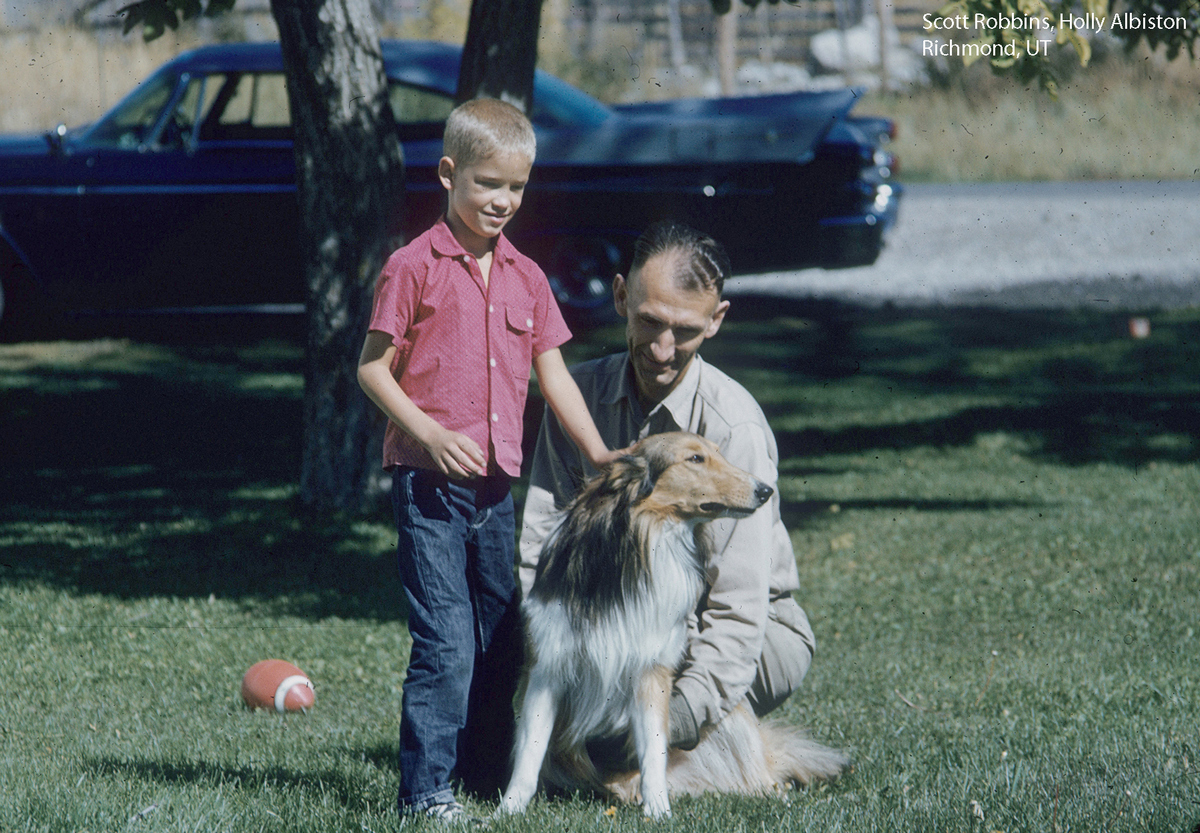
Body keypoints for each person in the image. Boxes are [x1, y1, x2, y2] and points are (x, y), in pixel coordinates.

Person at [357, 97, 618, 822]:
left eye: (516, 186)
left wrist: (598, 450)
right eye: (487, 184)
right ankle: (424, 793)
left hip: (495, 491)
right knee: (445, 641)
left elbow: (554, 374)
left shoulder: (526, 278)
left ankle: (479, 776)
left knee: (499, 638)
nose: (502, 201)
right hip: (429, 487)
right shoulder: (413, 267)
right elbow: (372, 370)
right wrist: (431, 434)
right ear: (449, 174)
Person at [519, 220, 816, 756]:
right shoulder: (577, 395)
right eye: (649, 321)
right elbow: (541, 547)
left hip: (743, 634)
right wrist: (545, 657)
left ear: (716, 320)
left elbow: (738, 608)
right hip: (613, 619)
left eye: (684, 331)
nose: (661, 349)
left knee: (619, 746)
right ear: (619, 296)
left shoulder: (735, 428)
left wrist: (666, 725)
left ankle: (701, 744)